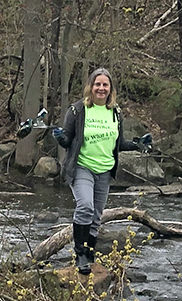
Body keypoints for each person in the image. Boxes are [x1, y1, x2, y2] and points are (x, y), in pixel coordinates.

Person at [52, 68, 151, 274]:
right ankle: (79, 254)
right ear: (91, 86)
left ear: (110, 89)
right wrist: (61, 138)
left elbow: (119, 143)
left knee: (96, 215)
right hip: (81, 167)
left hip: (105, 170)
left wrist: (138, 144)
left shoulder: (116, 112)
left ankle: (90, 253)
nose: (101, 88)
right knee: (85, 206)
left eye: (105, 85)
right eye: (98, 84)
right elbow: (68, 140)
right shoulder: (78, 110)